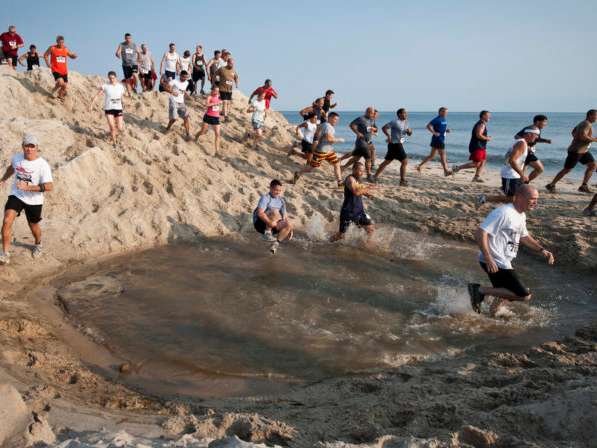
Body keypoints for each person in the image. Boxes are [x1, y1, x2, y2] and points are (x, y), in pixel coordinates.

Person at [468, 184, 555, 315]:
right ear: (519, 197)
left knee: (504, 292)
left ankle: (493, 314)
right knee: (523, 295)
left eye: (536, 199)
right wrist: (488, 257)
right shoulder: (504, 213)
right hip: (495, 260)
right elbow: (481, 233)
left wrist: (542, 250)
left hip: (503, 260)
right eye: (532, 198)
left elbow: (524, 236)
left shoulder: (521, 215)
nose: (535, 202)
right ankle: (479, 290)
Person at [0, 134, 53, 264]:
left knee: (33, 225)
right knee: (7, 220)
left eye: (32, 146)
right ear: (22, 147)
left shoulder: (42, 165)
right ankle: (5, 254)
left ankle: (38, 244)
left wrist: (29, 187)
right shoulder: (17, 158)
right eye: (26, 146)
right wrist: (3, 179)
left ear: (36, 148)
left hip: (34, 200)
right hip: (17, 195)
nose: (29, 149)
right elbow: (12, 168)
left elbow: (49, 186)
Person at [477, 128, 540, 207]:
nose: (537, 137)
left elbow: (518, 160)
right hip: (510, 174)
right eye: (536, 135)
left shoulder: (521, 142)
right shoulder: (522, 144)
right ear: (529, 134)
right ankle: (486, 198)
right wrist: (522, 175)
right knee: (511, 198)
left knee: (515, 196)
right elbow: (512, 160)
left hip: (514, 174)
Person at [546, 110, 597, 194]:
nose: (596, 118)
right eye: (595, 116)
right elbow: (582, 136)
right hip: (576, 151)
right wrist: (594, 139)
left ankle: (583, 186)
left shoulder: (584, 123)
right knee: (567, 169)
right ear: (590, 115)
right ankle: (551, 185)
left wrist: (578, 139)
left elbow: (573, 132)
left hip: (583, 151)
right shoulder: (586, 124)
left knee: (592, 165)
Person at [293, 112, 343, 187]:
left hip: (329, 151)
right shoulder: (327, 126)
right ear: (330, 118)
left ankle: (340, 182)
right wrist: (339, 140)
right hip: (321, 151)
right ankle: (298, 173)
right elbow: (328, 138)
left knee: (337, 163)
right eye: (335, 119)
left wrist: (316, 141)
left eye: (337, 120)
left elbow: (317, 134)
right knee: (311, 168)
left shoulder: (324, 125)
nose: (336, 121)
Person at [331, 162, 375, 242]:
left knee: (370, 229)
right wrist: (367, 188)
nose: (362, 173)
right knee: (341, 235)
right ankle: (327, 242)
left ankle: (367, 246)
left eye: (363, 171)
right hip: (348, 212)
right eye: (360, 171)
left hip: (359, 211)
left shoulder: (358, 179)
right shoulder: (350, 179)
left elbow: (360, 189)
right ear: (354, 169)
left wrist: (367, 194)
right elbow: (356, 192)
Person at [253, 179, 294, 254]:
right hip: (260, 224)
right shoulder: (265, 198)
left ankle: (275, 244)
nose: (278, 192)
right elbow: (260, 213)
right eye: (276, 190)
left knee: (289, 224)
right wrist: (270, 223)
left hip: (272, 224)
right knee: (275, 211)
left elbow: (285, 217)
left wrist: (289, 229)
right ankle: (267, 233)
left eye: (279, 190)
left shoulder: (281, 201)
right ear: (270, 188)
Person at [88, 71, 128, 146]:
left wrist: (124, 103)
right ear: (108, 78)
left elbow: (122, 97)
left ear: (116, 78)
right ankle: (114, 143)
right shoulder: (105, 86)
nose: (112, 80)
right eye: (110, 78)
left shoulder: (120, 86)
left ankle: (115, 133)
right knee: (112, 127)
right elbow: (97, 95)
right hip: (109, 109)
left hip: (118, 109)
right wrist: (91, 105)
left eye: (113, 78)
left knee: (120, 127)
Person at [374, 108, 412, 185]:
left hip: (397, 144)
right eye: (404, 113)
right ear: (399, 114)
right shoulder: (395, 122)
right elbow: (384, 128)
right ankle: (402, 181)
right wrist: (388, 136)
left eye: (406, 113)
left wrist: (409, 131)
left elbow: (409, 133)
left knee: (387, 162)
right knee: (405, 161)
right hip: (395, 144)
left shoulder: (406, 122)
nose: (406, 114)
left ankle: (374, 177)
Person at [452, 111, 492, 182]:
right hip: (477, 146)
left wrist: (485, 138)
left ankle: (476, 177)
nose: (490, 117)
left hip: (481, 146)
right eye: (488, 115)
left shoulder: (482, 124)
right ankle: (457, 168)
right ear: (483, 116)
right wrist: (487, 138)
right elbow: (478, 135)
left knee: (483, 161)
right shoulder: (481, 124)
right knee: (476, 164)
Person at [340, 107, 378, 182]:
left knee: (356, 157)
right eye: (369, 112)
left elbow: (375, 129)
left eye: (372, 113)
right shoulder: (361, 119)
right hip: (361, 142)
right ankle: (369, 175)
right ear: (366, 112)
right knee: (368, 158)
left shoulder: (371, 120)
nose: (371, 114)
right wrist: (357, 133)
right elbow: (352, 125)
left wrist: (373, 130)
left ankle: (343, 167)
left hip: (368, 142)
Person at [417, 107, 452, 176]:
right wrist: (434, 133)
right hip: (438, 140)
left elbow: (440, 128)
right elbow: (428, 126)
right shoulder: (437, 119)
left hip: (439, 139)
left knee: (432, 156)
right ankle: (446, 171)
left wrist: (446, 130)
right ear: (440, 112)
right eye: (444, 112)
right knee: (443, 155)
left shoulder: (444, 119)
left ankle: (419, 166)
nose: (446, 113)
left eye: (446, 112)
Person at [516, 115, 551, 183]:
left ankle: (520, 184)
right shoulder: (532, 129)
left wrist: (545, 140)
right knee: (540, 169)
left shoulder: (535, 129)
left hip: (526, 151)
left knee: (523, 169)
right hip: (526, 151)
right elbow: (517, 136)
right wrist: (526, 145)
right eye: (544, 122)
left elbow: (535, 139)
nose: (545, 124)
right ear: (538, 122)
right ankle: (525, 182)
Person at [43, 35, 77, 101]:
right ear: (57, 42)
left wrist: (74, 56)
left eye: (62, 42)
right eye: (60, 42)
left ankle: (55, 92)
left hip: (64, 71)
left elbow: (70, 55)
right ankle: (59, 95)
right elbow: (45, 55)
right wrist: (48, 64)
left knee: (63, 86)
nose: (61, 44)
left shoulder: (65, 48)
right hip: (55, 69)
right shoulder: (52, 48)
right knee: (62, 84)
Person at [196, 86, 222, 155]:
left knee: (218, 134)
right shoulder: (210, 97)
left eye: (218, 91)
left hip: (216, 118)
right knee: (203, 132)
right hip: (208, 116)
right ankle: (197, 136)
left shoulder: (219, 97)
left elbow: (220, 105)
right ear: (212, 90)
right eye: (216, 91)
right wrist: (215, 104)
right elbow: (206, 105)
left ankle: (217, 151)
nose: (217, 92)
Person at [165, 71, 191, 139]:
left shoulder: (186, 82)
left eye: (186, 77)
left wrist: (186, 93)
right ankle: (167, 128)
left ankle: (188, 134)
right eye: (184, 77)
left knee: (186, 117)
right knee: (174, 118)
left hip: (181, 102)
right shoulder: (174, 81)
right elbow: (166, 88)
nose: (185, 78)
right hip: (173, 101)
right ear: (180, 75)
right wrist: (172, 92)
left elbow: (183, 90)